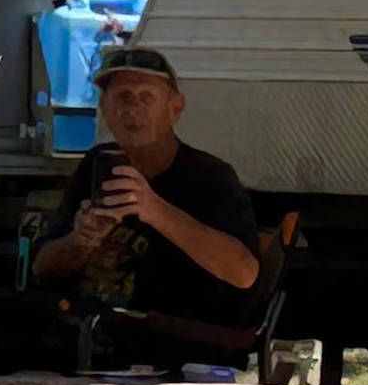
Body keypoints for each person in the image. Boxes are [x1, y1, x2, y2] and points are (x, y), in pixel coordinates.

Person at [26, 44, 262, 357]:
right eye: (122, 97)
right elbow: (42, 269)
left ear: (175, 109)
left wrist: (154, 210)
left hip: (169, 348)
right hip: (84, 339)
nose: (132, 109)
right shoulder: (98, 164)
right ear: (105, 109)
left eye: (146, 97)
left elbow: (244, 273)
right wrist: (79, 241)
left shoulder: (210, 177)